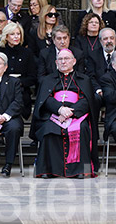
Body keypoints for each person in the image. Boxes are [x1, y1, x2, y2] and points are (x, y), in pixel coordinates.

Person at [31, 48, 99, 178]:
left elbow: (88, 100)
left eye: (66, 59)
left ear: (74, 61)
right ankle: (48, 170)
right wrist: (59, 109)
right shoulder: (47, 80)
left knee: (83, 128)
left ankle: (81, 170)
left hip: (77, 116)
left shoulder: (84, 79)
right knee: (48, 129)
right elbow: (45, 99)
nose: (63, 62)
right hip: (54, 115)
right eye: (60, 59)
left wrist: (71, 112)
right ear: (56, 62)